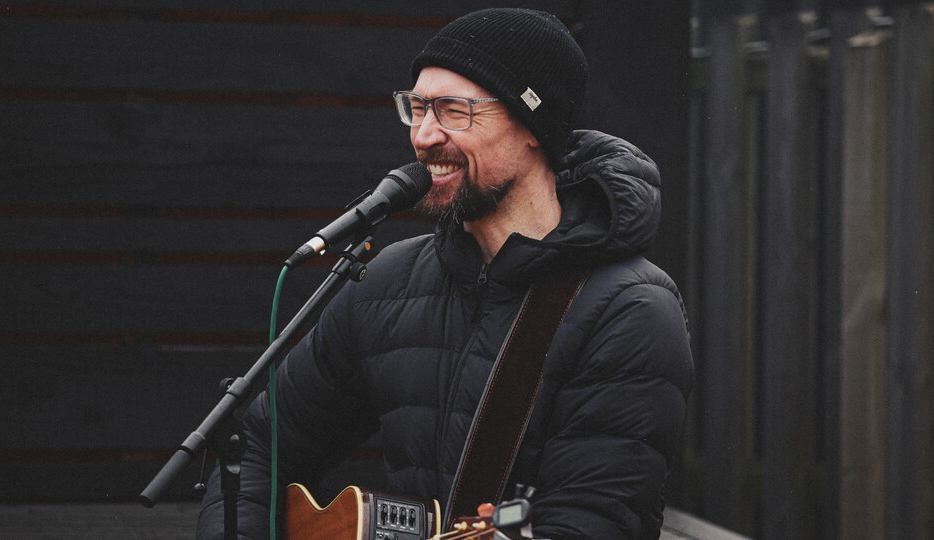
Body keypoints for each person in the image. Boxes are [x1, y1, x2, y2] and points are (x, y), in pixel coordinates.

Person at [197, 8, 693, 540]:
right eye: (417, 108)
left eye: (455, 111)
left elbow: (592, 523)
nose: (425, 136)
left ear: (532, 125)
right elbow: (256, 449)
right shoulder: (386, 284)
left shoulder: (629, 311)